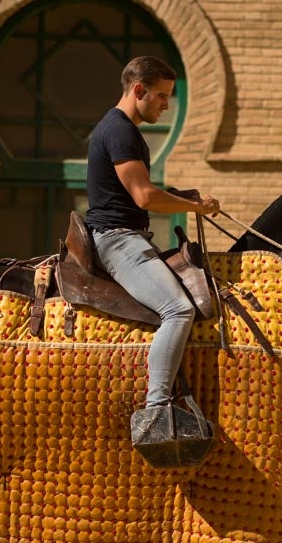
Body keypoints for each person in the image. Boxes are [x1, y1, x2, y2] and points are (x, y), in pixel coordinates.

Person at [84, 56, 220, 411]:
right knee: (177, 310)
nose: (166, 104)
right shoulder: (119, 131)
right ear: (138, 89)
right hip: (117, 241)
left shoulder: (123, 131)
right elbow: (144, 196)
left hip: (129, 236)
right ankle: (157, 407)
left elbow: (138, 192)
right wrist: (195, 207)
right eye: (161, 96)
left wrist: (186, 197)